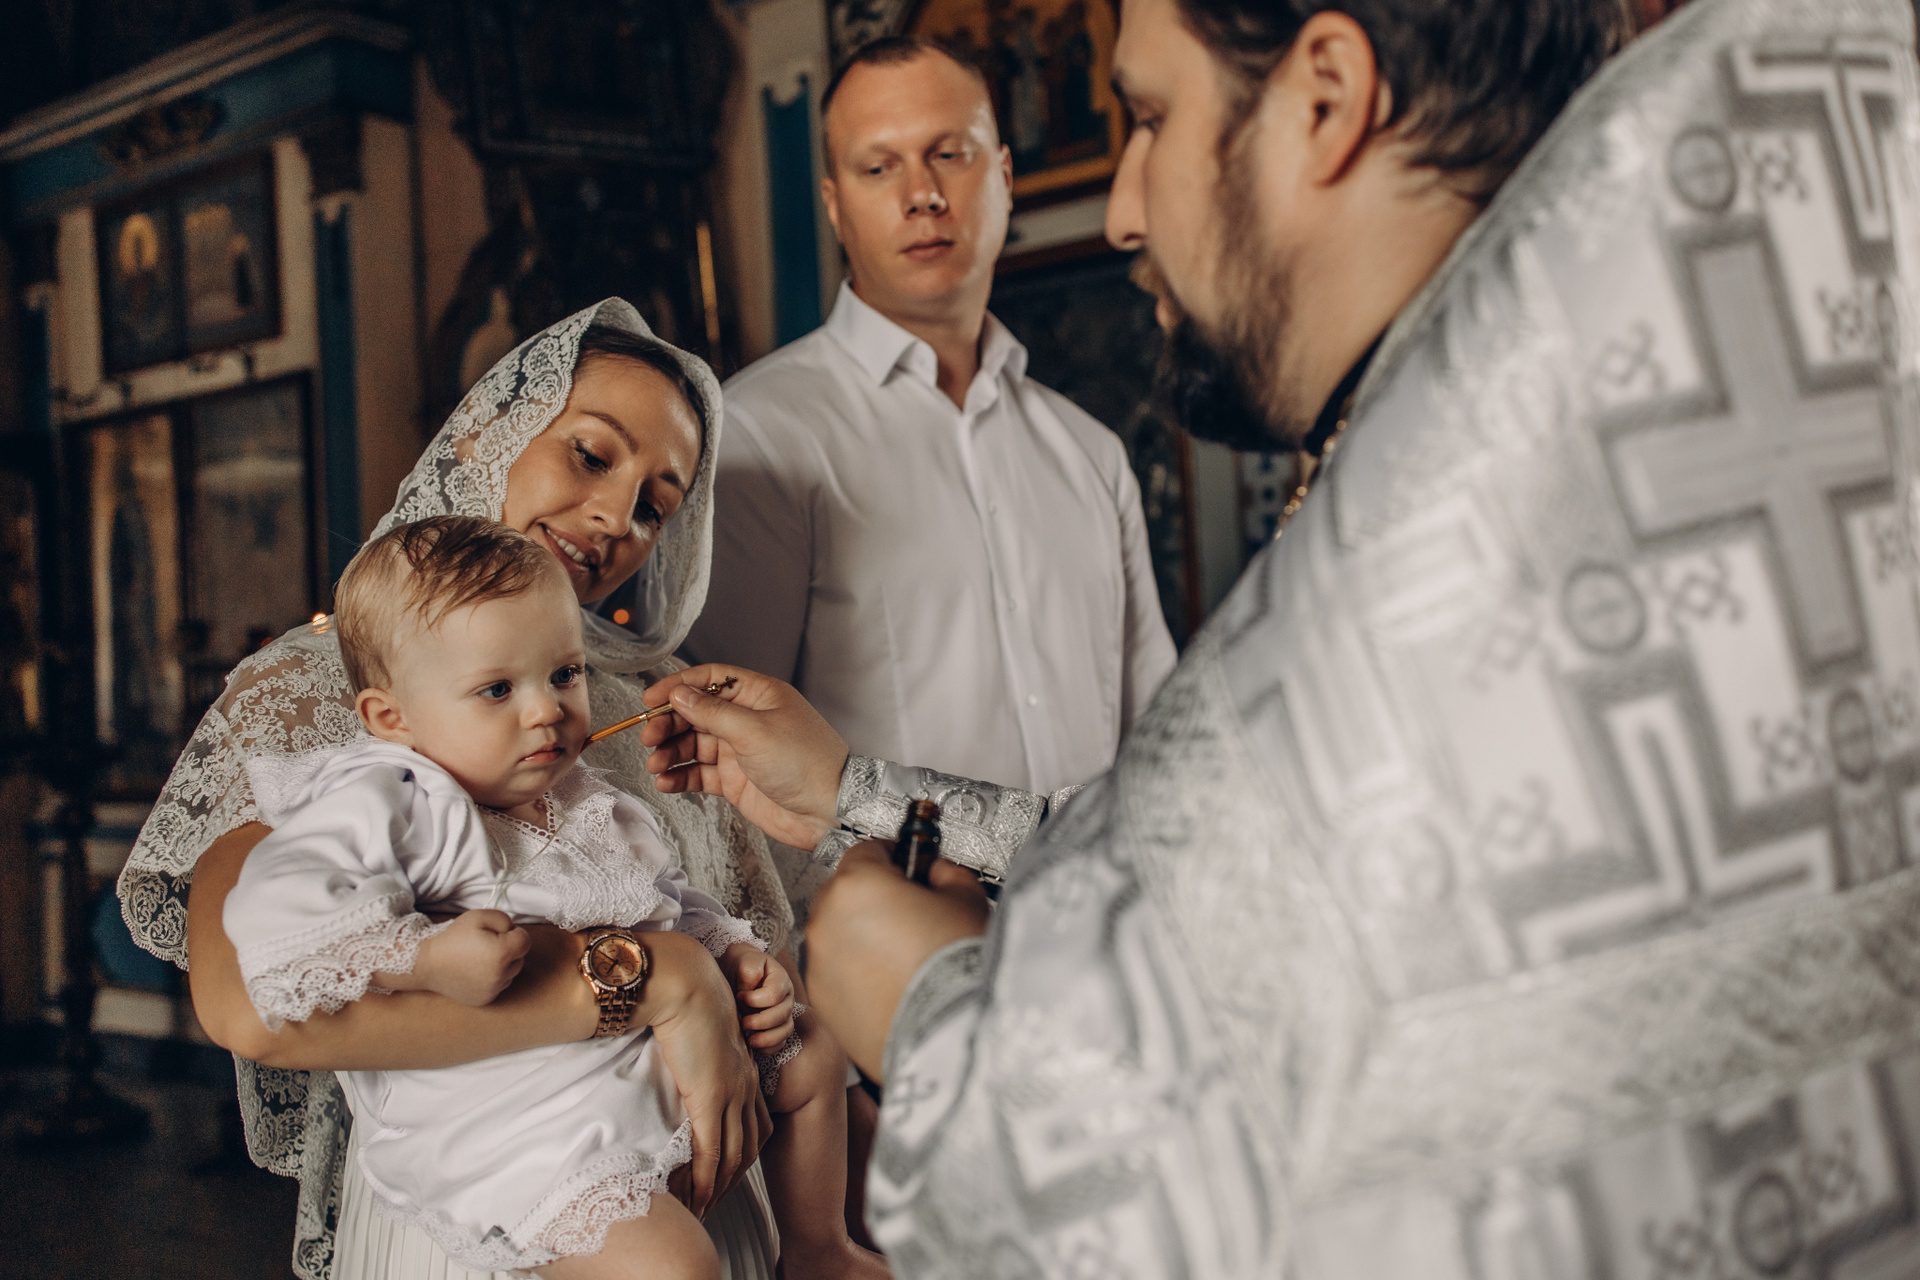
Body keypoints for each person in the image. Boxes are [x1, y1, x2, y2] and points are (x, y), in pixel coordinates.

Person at [637, 0, 1920, 1273]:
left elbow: (1180, 1190)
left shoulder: (1426, 543)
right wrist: (862, 794)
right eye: (878, 167)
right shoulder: (1694, 372)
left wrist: (929, 1002)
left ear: (1326, 97)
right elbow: (1188, 831)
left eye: (1150, 116)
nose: (1124, 210)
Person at [116, 302, 835, 1280]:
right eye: (591, 454)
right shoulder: (312, 686)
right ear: (486, 431)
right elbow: (254, 1003)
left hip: (700, 1165)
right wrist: (663, 981)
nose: (616, 518)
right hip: (513, 1179)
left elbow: (747, 937)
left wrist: (739, 975)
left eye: (654, 505)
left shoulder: (647, 700)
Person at [224, 516, 876, 1280]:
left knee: (812, 1053)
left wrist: (730, 953)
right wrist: (423, 958)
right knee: (675, 1266)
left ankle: (820, 1250)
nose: (547, 711)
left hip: (632, 1060)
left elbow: (664, 900)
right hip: (517, 1121)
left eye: (563, 675)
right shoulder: (394, 800)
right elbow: (276, 914)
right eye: (498, 689)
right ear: (390, 719)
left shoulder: (587, 800)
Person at [684, 35, 1175, 799]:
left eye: (949, 154)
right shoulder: (761, 437)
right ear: (834, 205)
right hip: (877, 880)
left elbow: (1157, 737)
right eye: (879, 168)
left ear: (1004, 177)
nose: (923, 194)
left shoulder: (1093, 453)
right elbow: (731, 765)